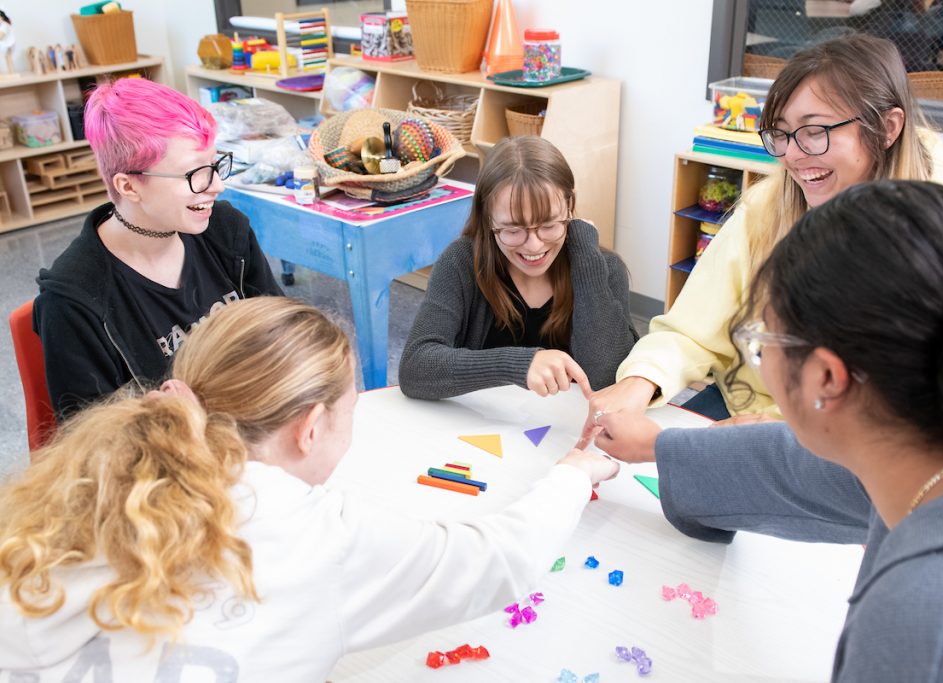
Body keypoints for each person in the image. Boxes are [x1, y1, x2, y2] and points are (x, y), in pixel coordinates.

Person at [0, 297, 619, 679]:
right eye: (351, 412)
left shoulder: (88, 477)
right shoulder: (307, 532)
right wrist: (575, 472)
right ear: (311, 429)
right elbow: (496, 560)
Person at [594, 181, 943, 680]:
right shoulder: (942, 440)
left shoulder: (927, 626)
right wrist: (660, 446)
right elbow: (802, 470)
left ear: (825, 377)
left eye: (761, 339)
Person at [581, 33, 943, 437]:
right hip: (750, 407)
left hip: (872, 444)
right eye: (782, 132)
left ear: (887, 128)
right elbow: (694, 327)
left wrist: (779, 439)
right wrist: (641, 380)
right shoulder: (768, 207)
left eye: (815, 130)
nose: (791, 154)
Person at [33, 77, 281, 421]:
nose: (218, 185)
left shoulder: (226, 231)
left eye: (215, 164)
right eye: (195, 174)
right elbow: (94, 447)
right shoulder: (74, 301)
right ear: (129, 186)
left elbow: (282, 331)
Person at [399, 136, 638, 400]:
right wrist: (519, 364)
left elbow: (609, 379)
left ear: (569, 205)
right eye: (513, 229)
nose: (534, 246)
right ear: (487, 216)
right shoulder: (462, 261)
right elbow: (415, 368)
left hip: (566, 432)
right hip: (482, 428)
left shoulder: (602, 268)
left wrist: (584, 255)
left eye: (548, 225)